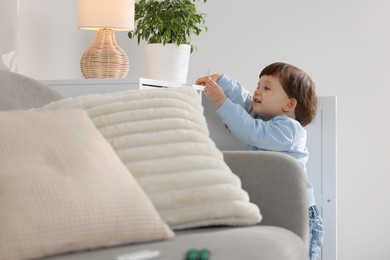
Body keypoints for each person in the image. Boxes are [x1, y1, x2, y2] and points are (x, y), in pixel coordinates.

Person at [196, 62, 324, 260]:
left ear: (289, 104)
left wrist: (221, 101)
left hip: (298, 211)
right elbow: (246, 101)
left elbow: (252, 131)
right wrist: (222, 80)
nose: (257, 91)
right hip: (274, 206)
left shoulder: (290, 130)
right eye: (258, 85)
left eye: (267, 88)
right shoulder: (265, 118)